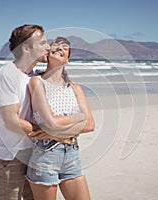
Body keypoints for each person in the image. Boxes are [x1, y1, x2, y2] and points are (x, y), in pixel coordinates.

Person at [26, 36, 95, 200]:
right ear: (48, 53)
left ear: (67, 59)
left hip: (72, 155)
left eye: (65, 47)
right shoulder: (37, 82)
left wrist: (54, 133)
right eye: (55, 45)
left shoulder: (75, 87)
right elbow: (50, 122)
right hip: (45, 156)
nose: (59, 48)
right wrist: (79, 117)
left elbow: (90, 125)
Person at [0, 24, 50, 200]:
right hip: (11, 153)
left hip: (35, 151)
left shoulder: (36, 75)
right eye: (43, 43)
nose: (48, 47)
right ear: (26, 48)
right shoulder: (7, 74)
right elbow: (11, 121)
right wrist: (51, 132)